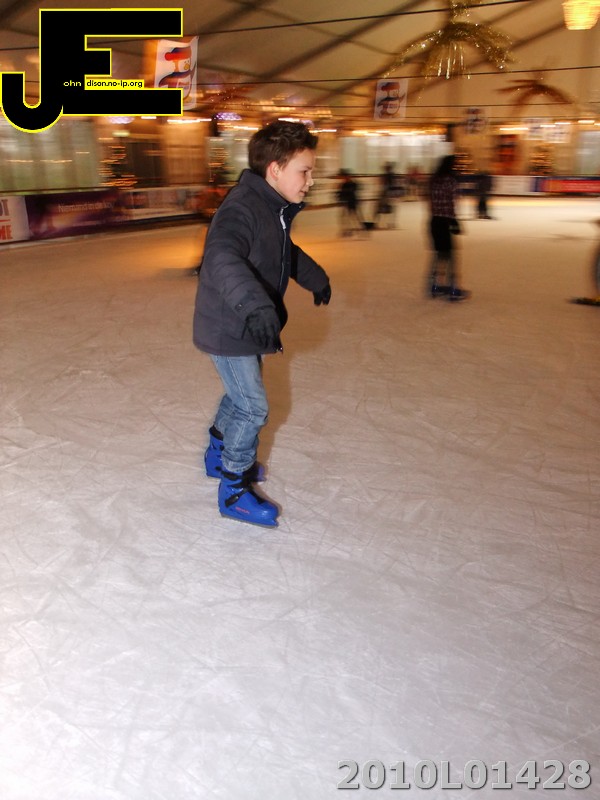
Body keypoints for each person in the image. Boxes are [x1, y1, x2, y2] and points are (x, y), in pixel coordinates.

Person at [192, 121, 331, 528]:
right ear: (275, 169)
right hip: (230, 323)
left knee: (240, 395)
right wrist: (254, 306)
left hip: (245, 322)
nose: (310, 180)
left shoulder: (270, 207)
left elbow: (283, 251)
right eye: (304, 171)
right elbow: (221, 256)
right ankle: (234, 489)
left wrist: (315, 277)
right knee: (252, 406)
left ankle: (218, 454)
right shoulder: (242, 208)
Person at [426, 154, 470, 301]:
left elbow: (429, 201)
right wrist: (454, 220)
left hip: (434, 221)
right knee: (451, 255)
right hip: (446, 221)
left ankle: (434, 285)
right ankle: (454, 288)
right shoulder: (450, 181)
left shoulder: (433, 180)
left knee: (439, 254)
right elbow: (452, 202)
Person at [336, 169, 364, 237]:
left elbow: (351, 192)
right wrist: (340, 197)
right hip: (347, 202)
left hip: (352, 202)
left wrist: (344, 193)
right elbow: (341, 193)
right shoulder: (344, 184)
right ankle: (346, 231)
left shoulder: (352, 184)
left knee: (355, 217)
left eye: (345, 177)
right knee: (345, 217)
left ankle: (361, 231)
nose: (344, 179)